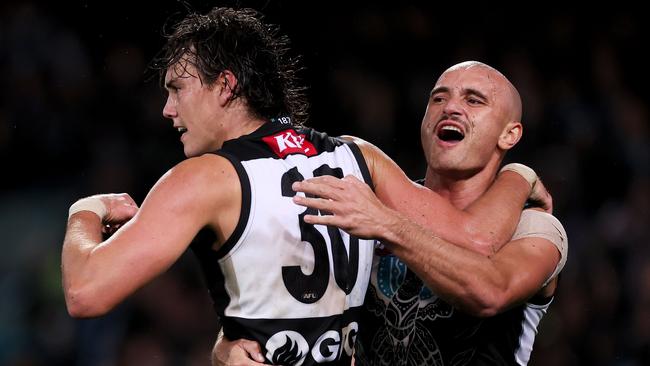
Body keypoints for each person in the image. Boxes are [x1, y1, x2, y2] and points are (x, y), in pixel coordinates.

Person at [61, 6, 541, 365]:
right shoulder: (356, 156)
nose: (168, 109)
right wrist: (522, 175)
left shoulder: (203, 178)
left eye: (176, 88)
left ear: (226, 87)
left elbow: (85, 292)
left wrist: (83, 212)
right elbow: (476, 237)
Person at [215, 61, 566, 366]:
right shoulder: (366, 207)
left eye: (474, 100)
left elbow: (490, 292)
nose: (451, 108)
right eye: (438, 98)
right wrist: (227, 345)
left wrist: (386, 225)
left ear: (510, 134)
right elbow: (285, 293)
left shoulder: (534, 226)